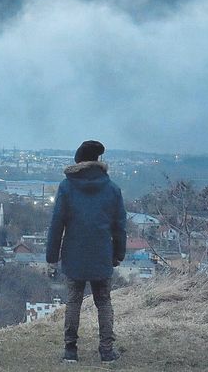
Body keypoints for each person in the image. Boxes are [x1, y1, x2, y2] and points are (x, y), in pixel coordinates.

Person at [46, 140, 127, 364]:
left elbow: (57, 224)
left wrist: (52, 256)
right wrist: (119, 253)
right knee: (104, 302)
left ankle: (70, 350)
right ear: (98, 161)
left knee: (73, 301)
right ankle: (107, 350)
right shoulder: (112, 189)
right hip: (102, 253)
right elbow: (119, 226)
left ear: (78, 161)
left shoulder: (67, 187)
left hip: (74, 254)